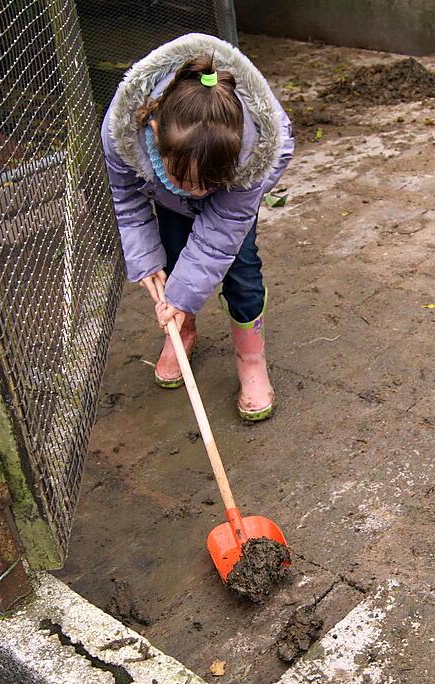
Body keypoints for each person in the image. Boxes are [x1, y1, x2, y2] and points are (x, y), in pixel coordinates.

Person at [101, 33, 294, 421]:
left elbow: (220, 231)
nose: (201, 191)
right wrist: (145, 260)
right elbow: (127, 201)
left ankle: (250, 359)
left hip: (232, 201)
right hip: (165, 194)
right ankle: (182, 332)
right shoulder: (122, 132)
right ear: (155, 136)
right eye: (192, 180)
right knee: (172, 259)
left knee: (241, 274)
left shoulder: (251, 155)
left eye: (210, 181)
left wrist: (183, 292)